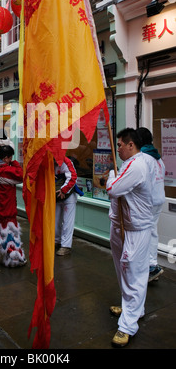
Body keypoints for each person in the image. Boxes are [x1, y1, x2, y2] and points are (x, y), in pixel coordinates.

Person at [106, 128, 154, 347]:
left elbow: (114, 189)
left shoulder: (138, 165)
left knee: (133, 273)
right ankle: (132, 309)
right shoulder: (127, 164)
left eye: (120, 145)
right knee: (123, 271)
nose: (118, 149)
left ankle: (127, 326)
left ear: (131, 145)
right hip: (120, 226)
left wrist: (110, 177)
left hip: (135, 229)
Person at [136, 127, 166, 282]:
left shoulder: (143, 158)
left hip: (148, 202)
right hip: (159, 198)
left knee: (144, 234)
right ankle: (152, 265)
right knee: (152, 231)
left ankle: (146, 267)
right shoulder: (157, 157)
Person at [55, 157, 77, 256]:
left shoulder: (66, 161)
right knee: (55, 221)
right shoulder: (47, 162)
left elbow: (73, 177)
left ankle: (66, 246)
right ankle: (56, 241)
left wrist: (63, 190)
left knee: (68, 222)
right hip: (55, 196)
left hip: (68, 196)